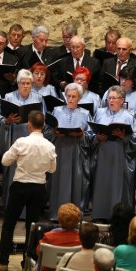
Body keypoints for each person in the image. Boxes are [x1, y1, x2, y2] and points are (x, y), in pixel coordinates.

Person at [0, 110, 57, 271]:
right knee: (32, 226)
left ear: (29, 124)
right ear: (43, 126)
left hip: (20, 186)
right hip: (39, 188)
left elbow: (5, 161)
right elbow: (52, 169)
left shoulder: (21, 142)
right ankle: (28, 262)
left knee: (9, 224)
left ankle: (3, 261)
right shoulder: (50, 145)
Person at [0, 69, 45, 210]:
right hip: (14, 138)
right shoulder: (9, 97)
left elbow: (44, 120)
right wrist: (8, 121)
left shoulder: (38, 98)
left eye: (29, 83)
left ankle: (29, 209)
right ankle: (11, 207)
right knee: (14, 173)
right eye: (23, 83)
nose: (26, 86)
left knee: (31, 173)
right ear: (17, 84)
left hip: (34, 142)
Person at [90, 85, 136, 221]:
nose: (111, 101)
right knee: (101, 184)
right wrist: (96, 138)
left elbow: (135, 138)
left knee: (116, 185)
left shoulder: (129, 116)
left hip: (118, 154)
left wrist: (123, 137)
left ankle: (117, 216)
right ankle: (100, 214)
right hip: (102, 154)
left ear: (122, 100)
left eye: (114, 98)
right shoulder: (99, 113)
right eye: (109, 98)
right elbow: (91, 132)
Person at [48, 83, 91, 220]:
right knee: (58, 182)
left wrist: (81, 135)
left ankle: (72, 216)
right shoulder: (57, 110)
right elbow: (48, 131)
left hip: (76, 152)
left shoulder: (85, 113)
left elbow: (91, 135)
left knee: (75, 182)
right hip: (59, 151)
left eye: (74, 97)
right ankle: (56, 214)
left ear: (79, 98)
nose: (71, 99)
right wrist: (54, 133)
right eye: (69, 96)